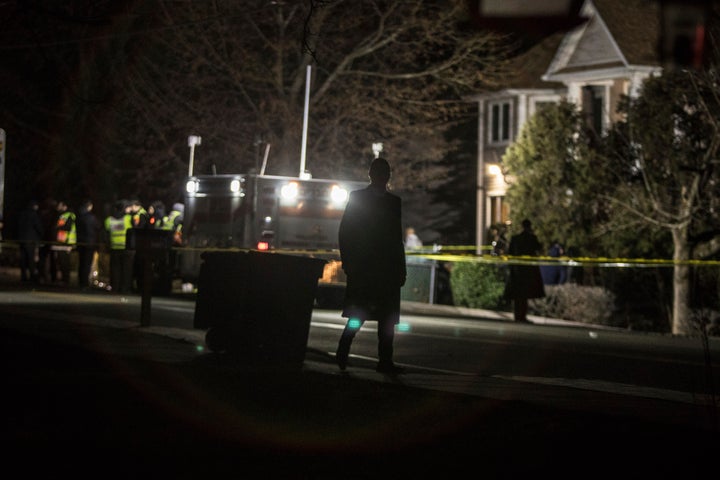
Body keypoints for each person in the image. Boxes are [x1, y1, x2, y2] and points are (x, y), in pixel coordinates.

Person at [335, 157, 407, 374]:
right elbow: (346, 232)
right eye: (380, 173)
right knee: (361, 314)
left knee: (386, 318)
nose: (383, 177)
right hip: (365, 268)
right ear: (373, 175)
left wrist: (400, 268)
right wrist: (349, 263)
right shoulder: (360, 198)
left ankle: (385, 361)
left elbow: (397, 238)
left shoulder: (393, 202)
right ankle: (344, 349)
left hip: (384, 269)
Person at [505, 218, 545, 323]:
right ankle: (522, 316)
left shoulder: (515, 239)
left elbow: (509, 254)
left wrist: (511, 268)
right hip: (528, 272)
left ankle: (517, 316)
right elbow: (540, 249)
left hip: (517, 270)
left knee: (518, 296)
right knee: (524, 296)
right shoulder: (532, 238)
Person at [104, 200, 134, 294]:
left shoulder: (109, 220)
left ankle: (115, 288)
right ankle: (125, 289)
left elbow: (106, 234)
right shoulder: (128, 218)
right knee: (126, 270)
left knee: (115, 269)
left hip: (114, 248)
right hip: (127, 248)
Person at [17, 200, 43, 283]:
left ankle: (23, 276)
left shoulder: (22, 214)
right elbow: (38, 227)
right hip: (31, 240)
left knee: (23, 259)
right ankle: (32, 276)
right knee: (31, 259)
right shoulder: (34, 215)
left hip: (22, 240)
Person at [76, 199, 100, 289]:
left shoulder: (78, 216)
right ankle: (85, 283)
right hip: (90, 243)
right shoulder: (91, 217)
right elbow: (97, 227)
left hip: (80, 242)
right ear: (89, 207)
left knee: (81, 263)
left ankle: (80, 281)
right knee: (87, 263)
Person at [53, 200, 76, 285]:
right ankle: (63, 279)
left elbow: (68, 227)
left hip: (66, 242)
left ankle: (66, 280)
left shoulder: (69, 215)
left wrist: (57, 227)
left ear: (64, 205)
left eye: (59, 205)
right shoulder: (61, 215)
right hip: (61, 241)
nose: (57, 207)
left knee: (65, 262)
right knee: (60, 262)